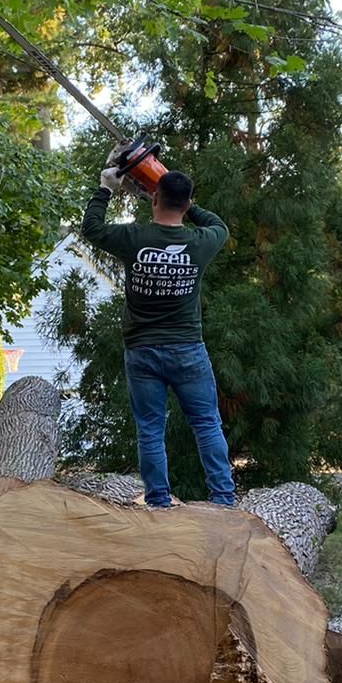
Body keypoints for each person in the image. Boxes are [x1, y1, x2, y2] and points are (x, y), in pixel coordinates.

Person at [80, 156, 235, 508]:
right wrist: (180, 196)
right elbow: (219, 225)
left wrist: (106, 188)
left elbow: (92, 228)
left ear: (154, 198)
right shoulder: (201, 242)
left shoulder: (134, 237)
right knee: (207, 425)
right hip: (188, 350)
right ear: (186, 202)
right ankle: (224, 502)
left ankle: (158, 503)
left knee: (150, 430)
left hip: (142, 351)